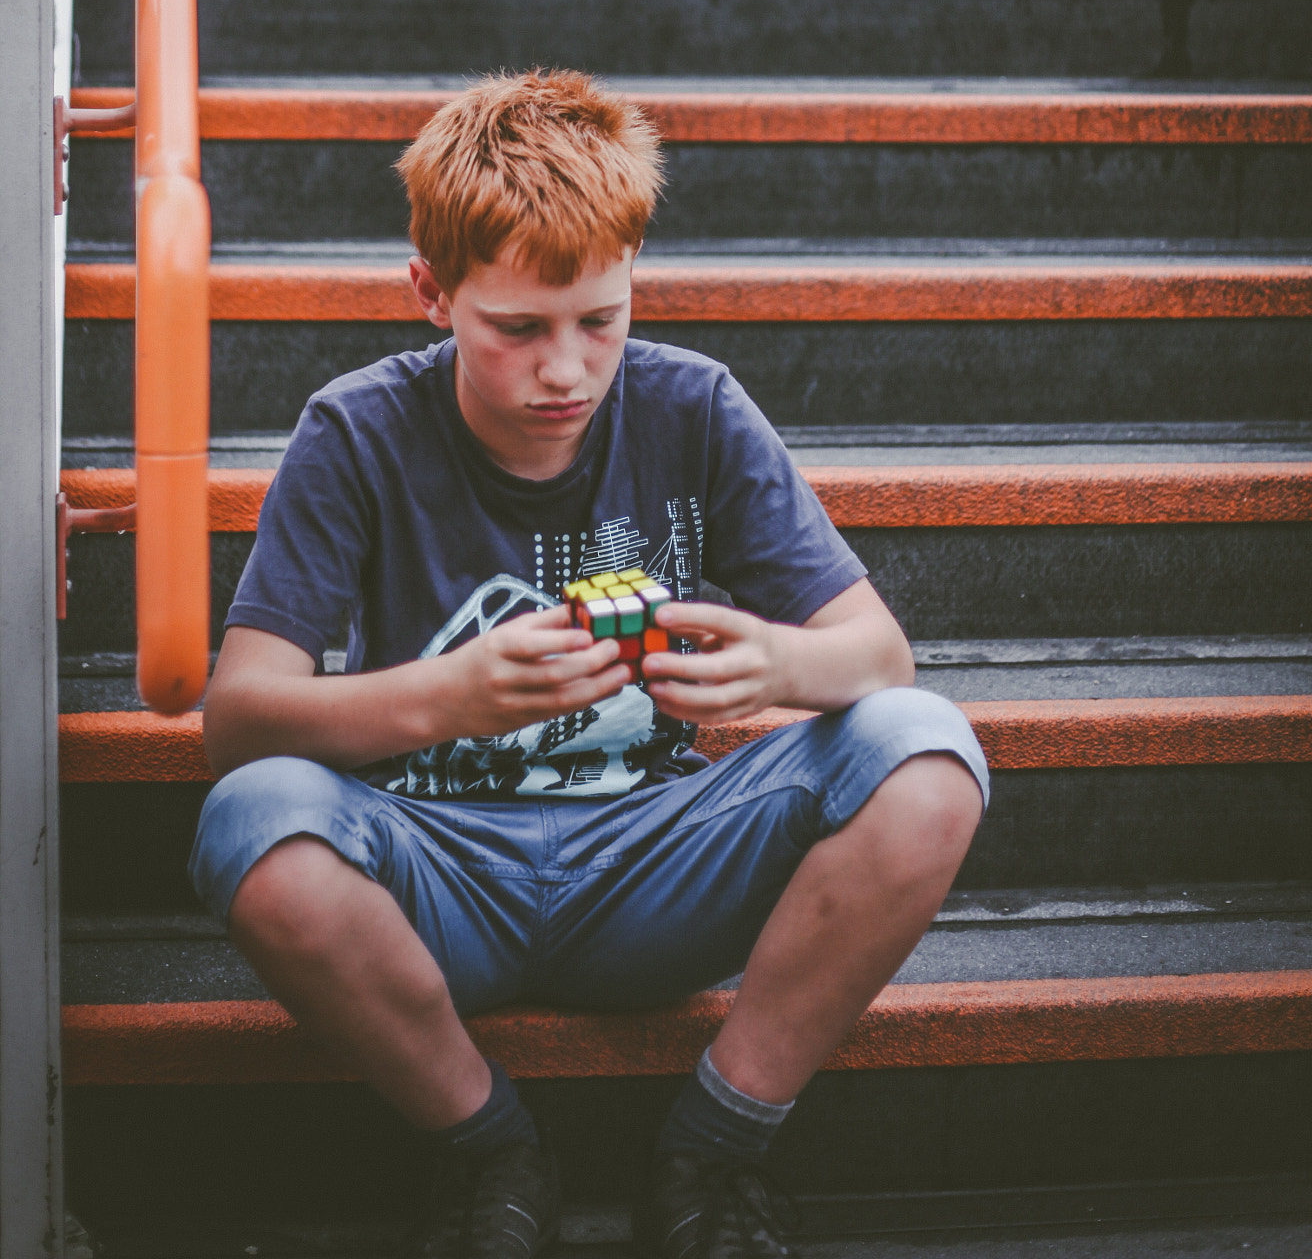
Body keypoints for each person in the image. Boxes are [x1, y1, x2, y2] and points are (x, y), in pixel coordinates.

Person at [191, 69, 989, 1259]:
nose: (566, 368)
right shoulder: (354, 429)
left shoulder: (693, 405)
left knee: (926, 753)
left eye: (599, 319)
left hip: (657, 861)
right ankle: (490, 1148)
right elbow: (239, 719)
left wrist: (776, 662)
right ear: (432, 293)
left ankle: (711, 1155)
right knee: (255, 821)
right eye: (518, 327)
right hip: (434, 870)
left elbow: (878, 652)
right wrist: (450, 693)